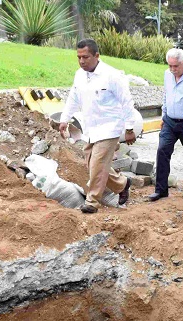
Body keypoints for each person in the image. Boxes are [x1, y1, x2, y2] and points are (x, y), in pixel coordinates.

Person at [59, 38, 135, 214]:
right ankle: (123, 184)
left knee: (97, 165)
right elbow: (73, 98)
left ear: (96, 56)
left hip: (109, 128)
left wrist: (129, 129)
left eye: (85, 57)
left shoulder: (112, 75)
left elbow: (127, 102)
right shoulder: (79, 75)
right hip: (90, 129)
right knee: (92, 165)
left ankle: (92, 202)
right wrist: (65, 119)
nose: (82, 61)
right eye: (79, 57)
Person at [149, 48, 183, 202]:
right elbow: (167, 95)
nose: (173, 70)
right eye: (170, 66)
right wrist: (163, 115)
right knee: (162, 151)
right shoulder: (168, 75)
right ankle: (160, 190)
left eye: (176, 66)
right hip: (169, 121)